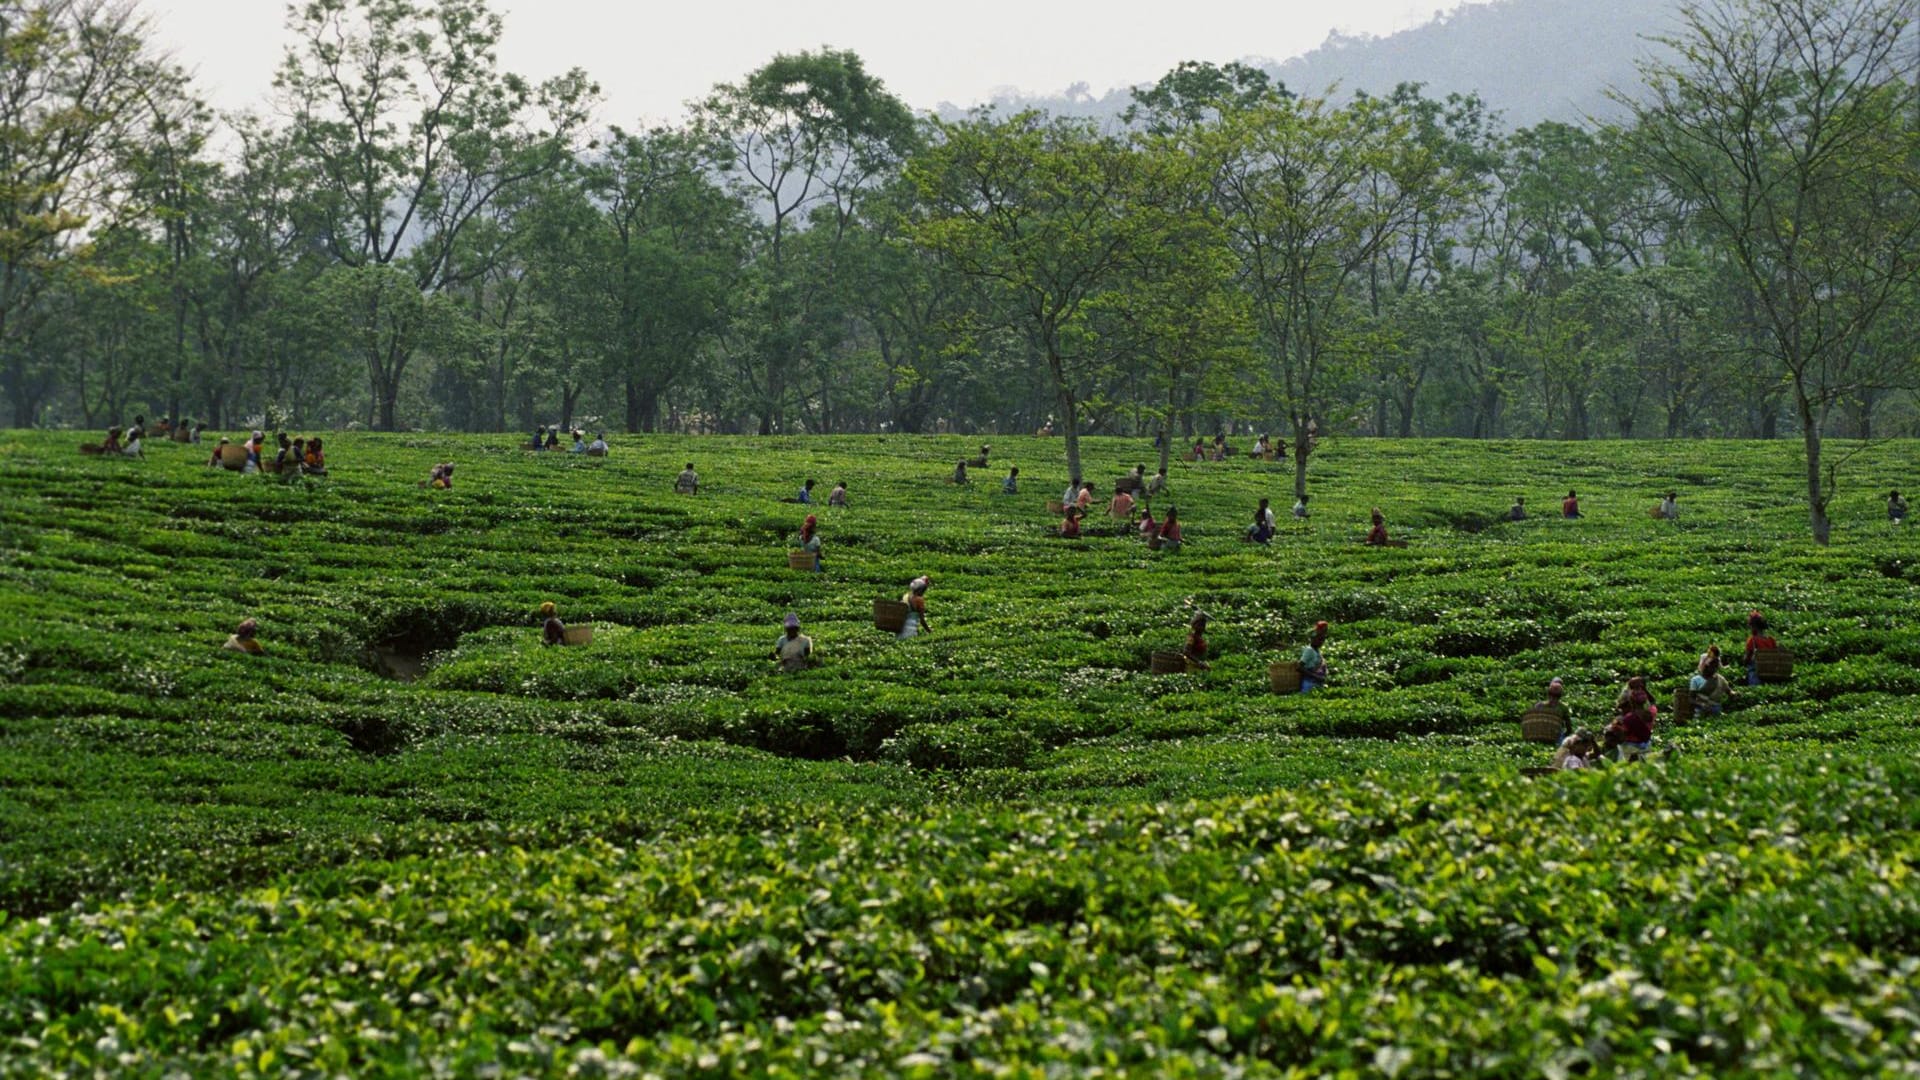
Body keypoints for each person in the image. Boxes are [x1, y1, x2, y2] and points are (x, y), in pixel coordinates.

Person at [1742, 610, 1778, 686]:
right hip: (1771, 672)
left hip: (1757, 673)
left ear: (1754, 627)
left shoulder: (1752, 640)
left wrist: (1744, 661)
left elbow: (1747, 659)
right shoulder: (1771, 640)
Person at [1299, 621, 1330, 691]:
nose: (1321, 642)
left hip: (1317, 683)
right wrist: (1315, 676)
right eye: (1319, 640)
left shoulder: (1317, 650)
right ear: (1313, 639)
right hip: (1309, 683)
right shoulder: (1309, 650)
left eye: (1322, 640)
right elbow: (1300, 667)